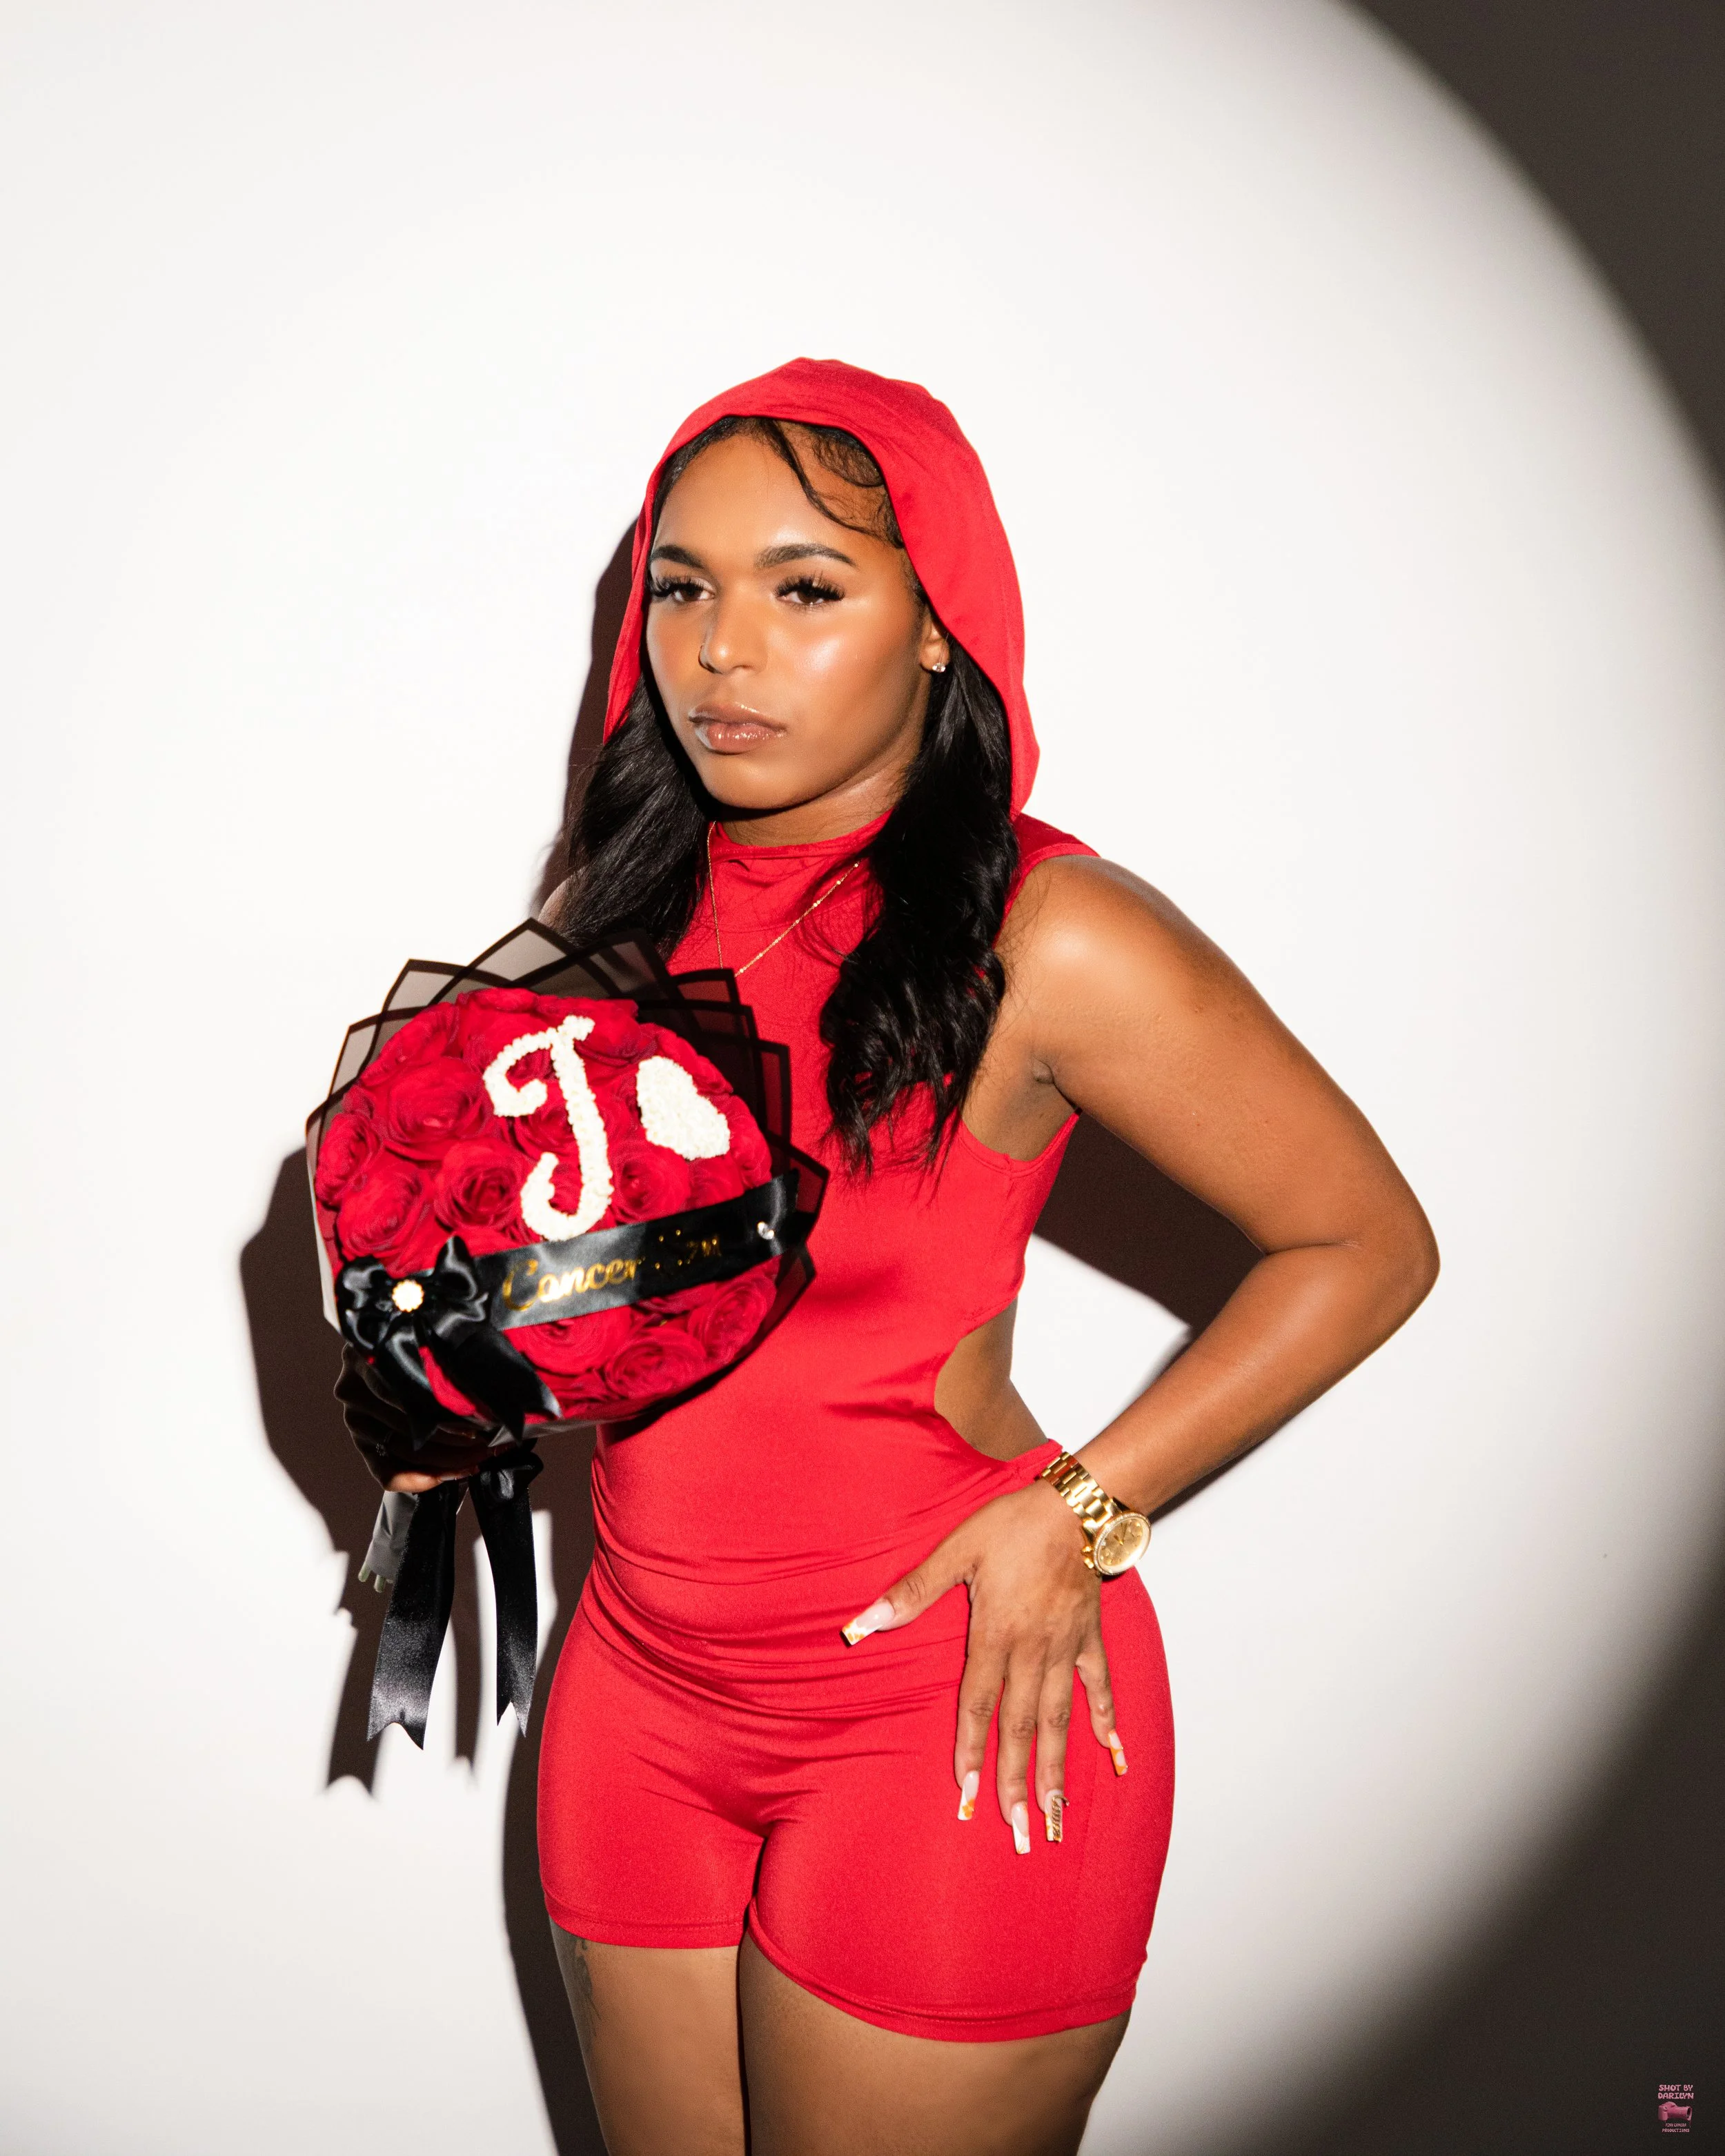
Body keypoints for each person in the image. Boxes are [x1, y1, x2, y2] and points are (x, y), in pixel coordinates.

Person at [342, 358, 1439, 2156]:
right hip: (634, 1695)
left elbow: (1362, 1243)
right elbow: (584, 1319)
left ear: (941, 628)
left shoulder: (1050, 930)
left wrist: (1082, 1508)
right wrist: (440, 1382)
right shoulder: (599, 932)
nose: (720, 649)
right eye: (681, 586)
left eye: (803, 587)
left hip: (937, 1699)